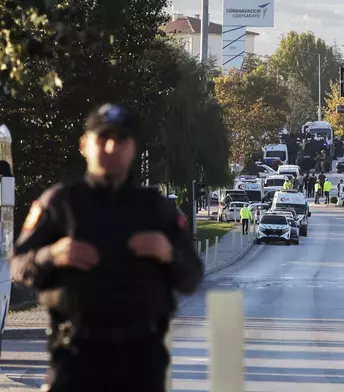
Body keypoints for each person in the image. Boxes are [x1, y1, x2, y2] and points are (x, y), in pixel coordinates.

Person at [9, 103, 204, 392]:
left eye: (121, 139)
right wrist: (52, 254)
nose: (112, 147)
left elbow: (192, 276)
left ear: (133, 148)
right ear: (84, 145)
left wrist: (168, 253)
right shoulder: (59, 205)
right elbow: (18, 266)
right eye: (103, 138)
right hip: (76, 358)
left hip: (141, 361)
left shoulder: (156, 210)